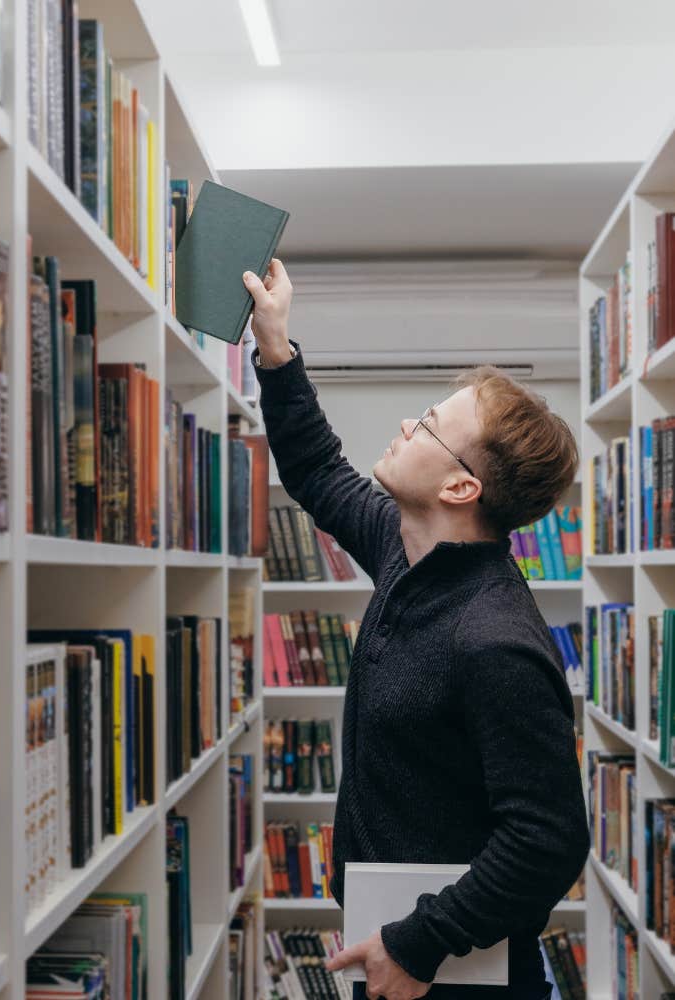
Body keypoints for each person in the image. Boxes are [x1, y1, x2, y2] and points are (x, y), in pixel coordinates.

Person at [244, 260, 589, 1000]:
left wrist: (420, 943)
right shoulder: (411, 557)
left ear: (460, 487)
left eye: (430, 423)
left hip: (456, 972)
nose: (409, 422)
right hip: (403, 945)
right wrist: (277, 350)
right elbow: (318, 472)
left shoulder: (494, 636)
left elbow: (548, 842)